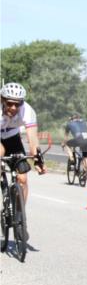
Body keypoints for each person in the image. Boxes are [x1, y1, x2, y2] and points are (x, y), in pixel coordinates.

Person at [0, 82, 47, 220]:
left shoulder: (27, 111)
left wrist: (38, 160)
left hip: (13, 138)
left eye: (18, 104)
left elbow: (32, 139)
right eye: (9, 103)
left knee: (23, 178)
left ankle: (20, 215)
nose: (14, 108)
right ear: (2, 99)